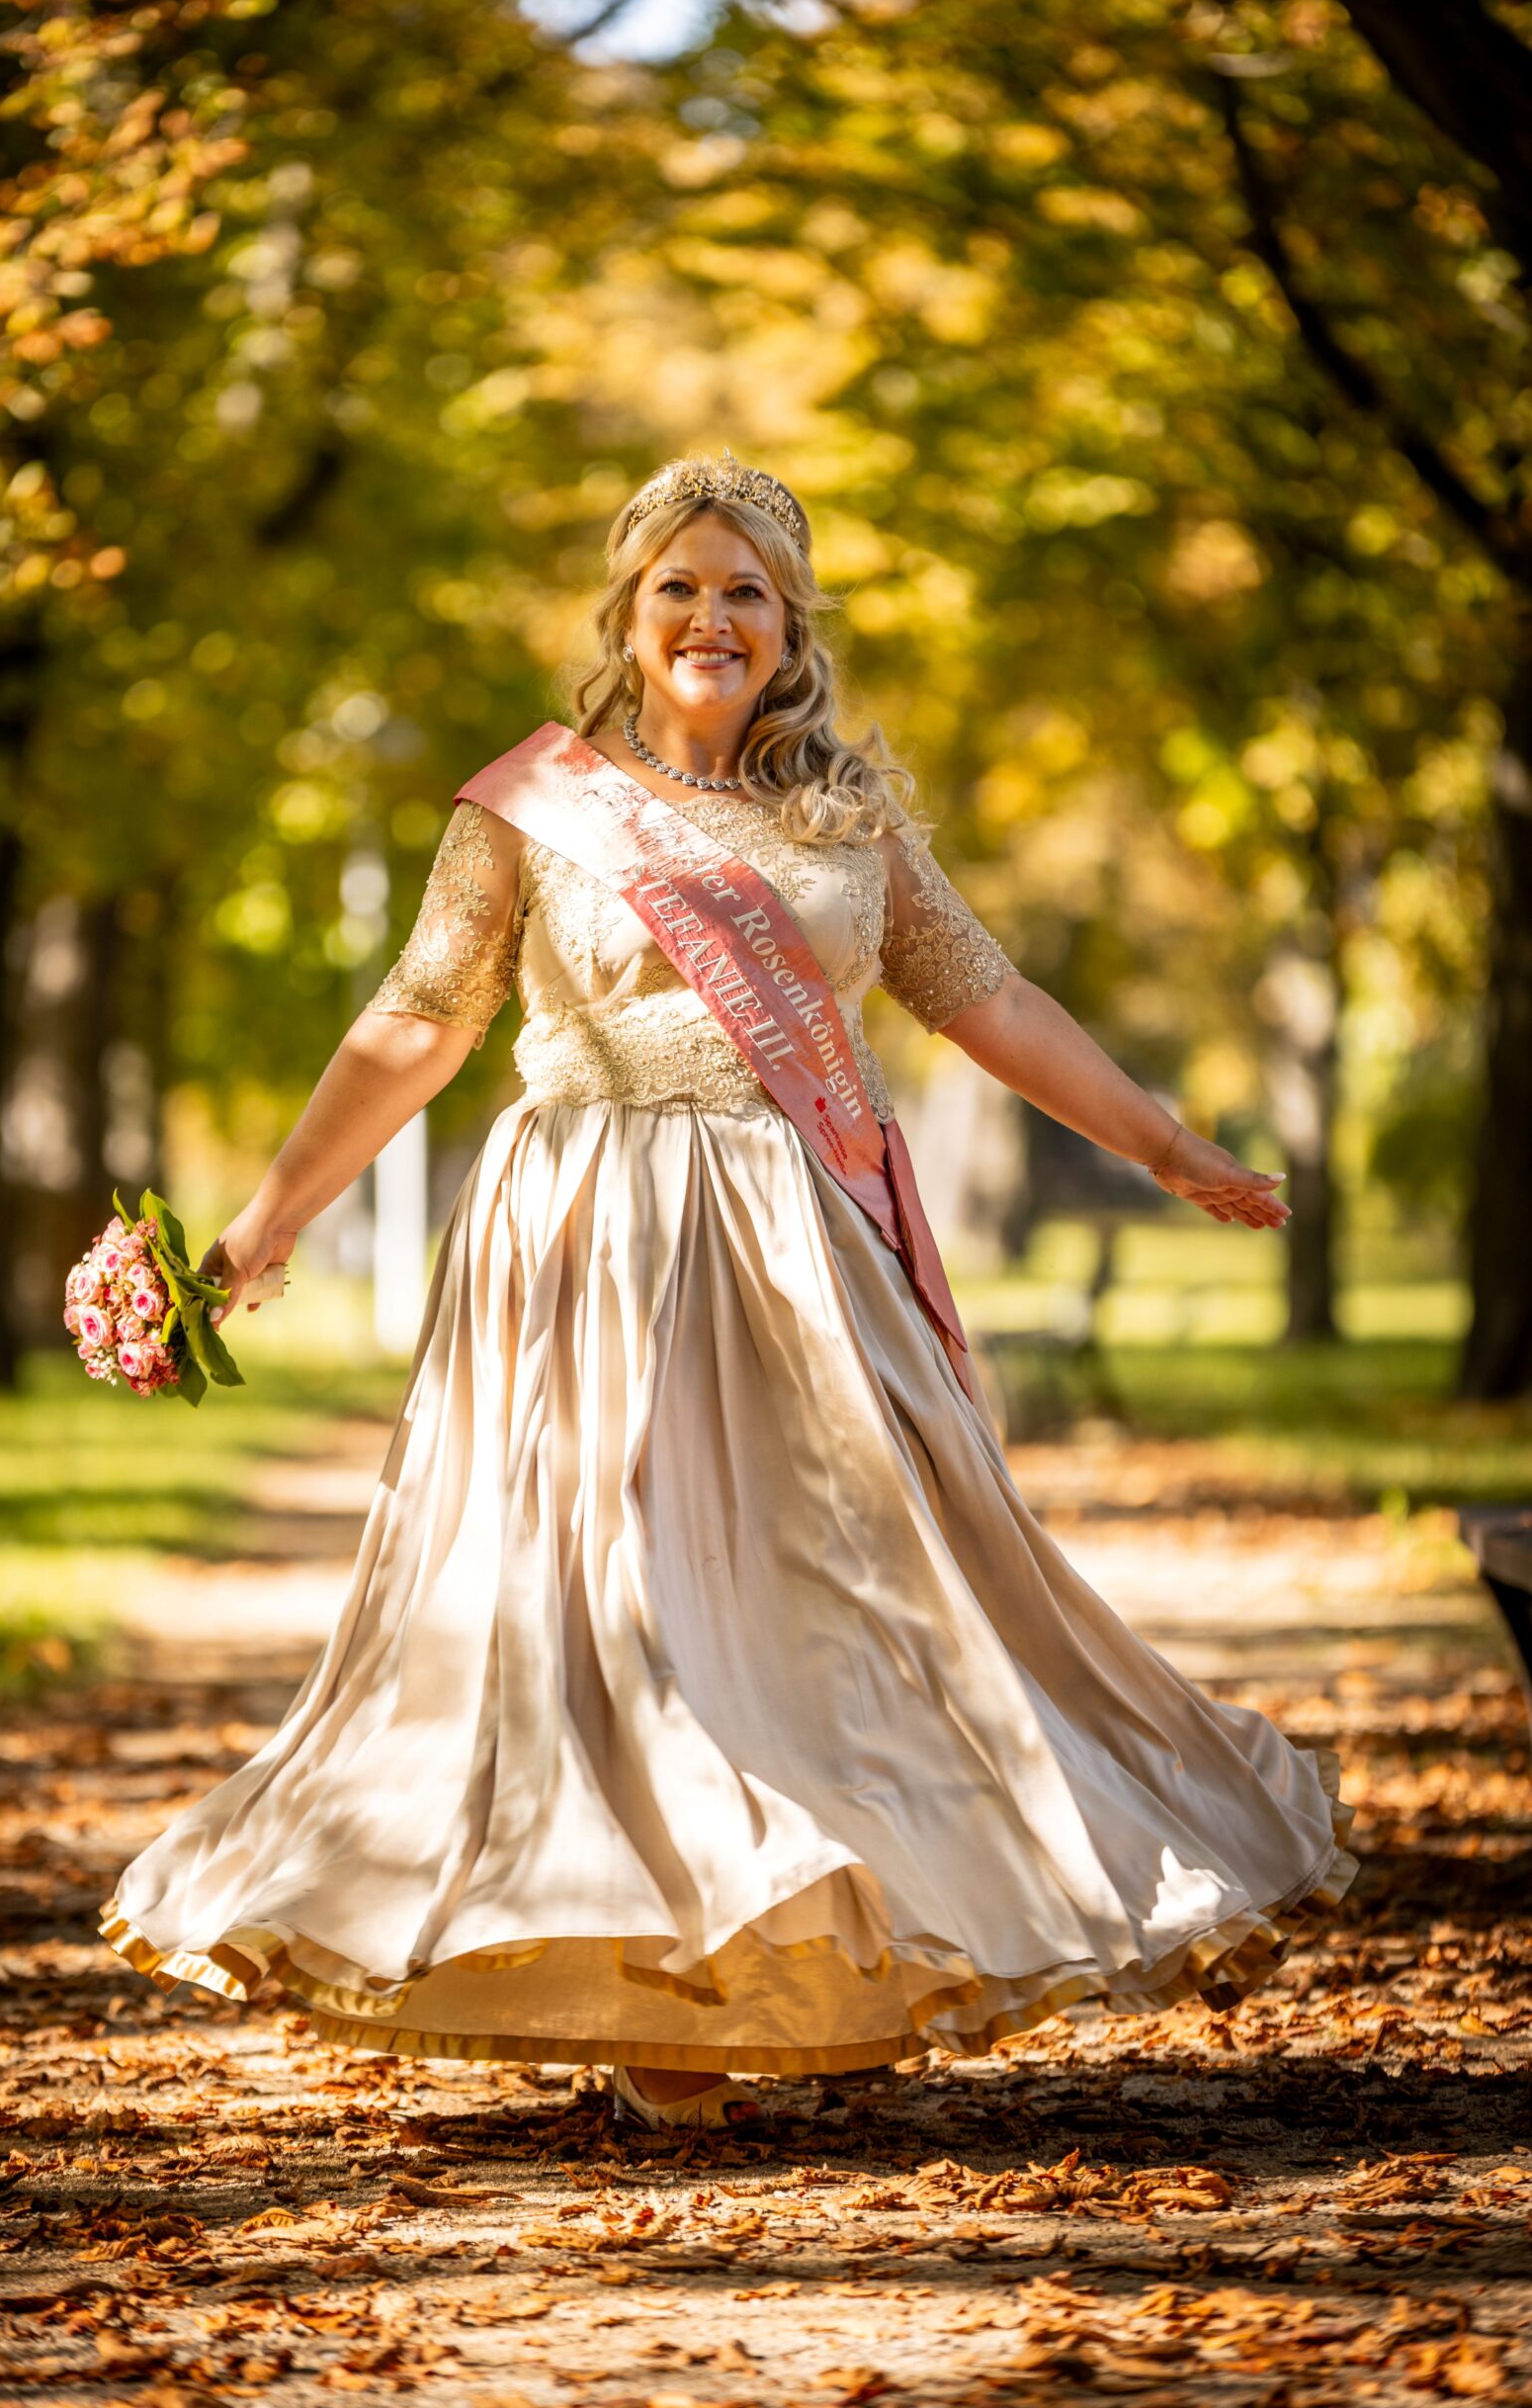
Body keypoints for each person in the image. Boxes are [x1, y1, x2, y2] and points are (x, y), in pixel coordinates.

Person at [101, 453, 1356, 2132]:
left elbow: (988, 999)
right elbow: (415, 1020)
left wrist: (1162, 1141)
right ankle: (644, 1977)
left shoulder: (848, 821)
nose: (711, 614)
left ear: (789, 627)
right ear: (626, 614)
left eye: (746, 588)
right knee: (605, 1599)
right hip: (588, 1244)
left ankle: (816, 1945)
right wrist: (261, 1226)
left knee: (829, 1601)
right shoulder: (528, 808)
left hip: (798, 1245)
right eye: (680, 584)